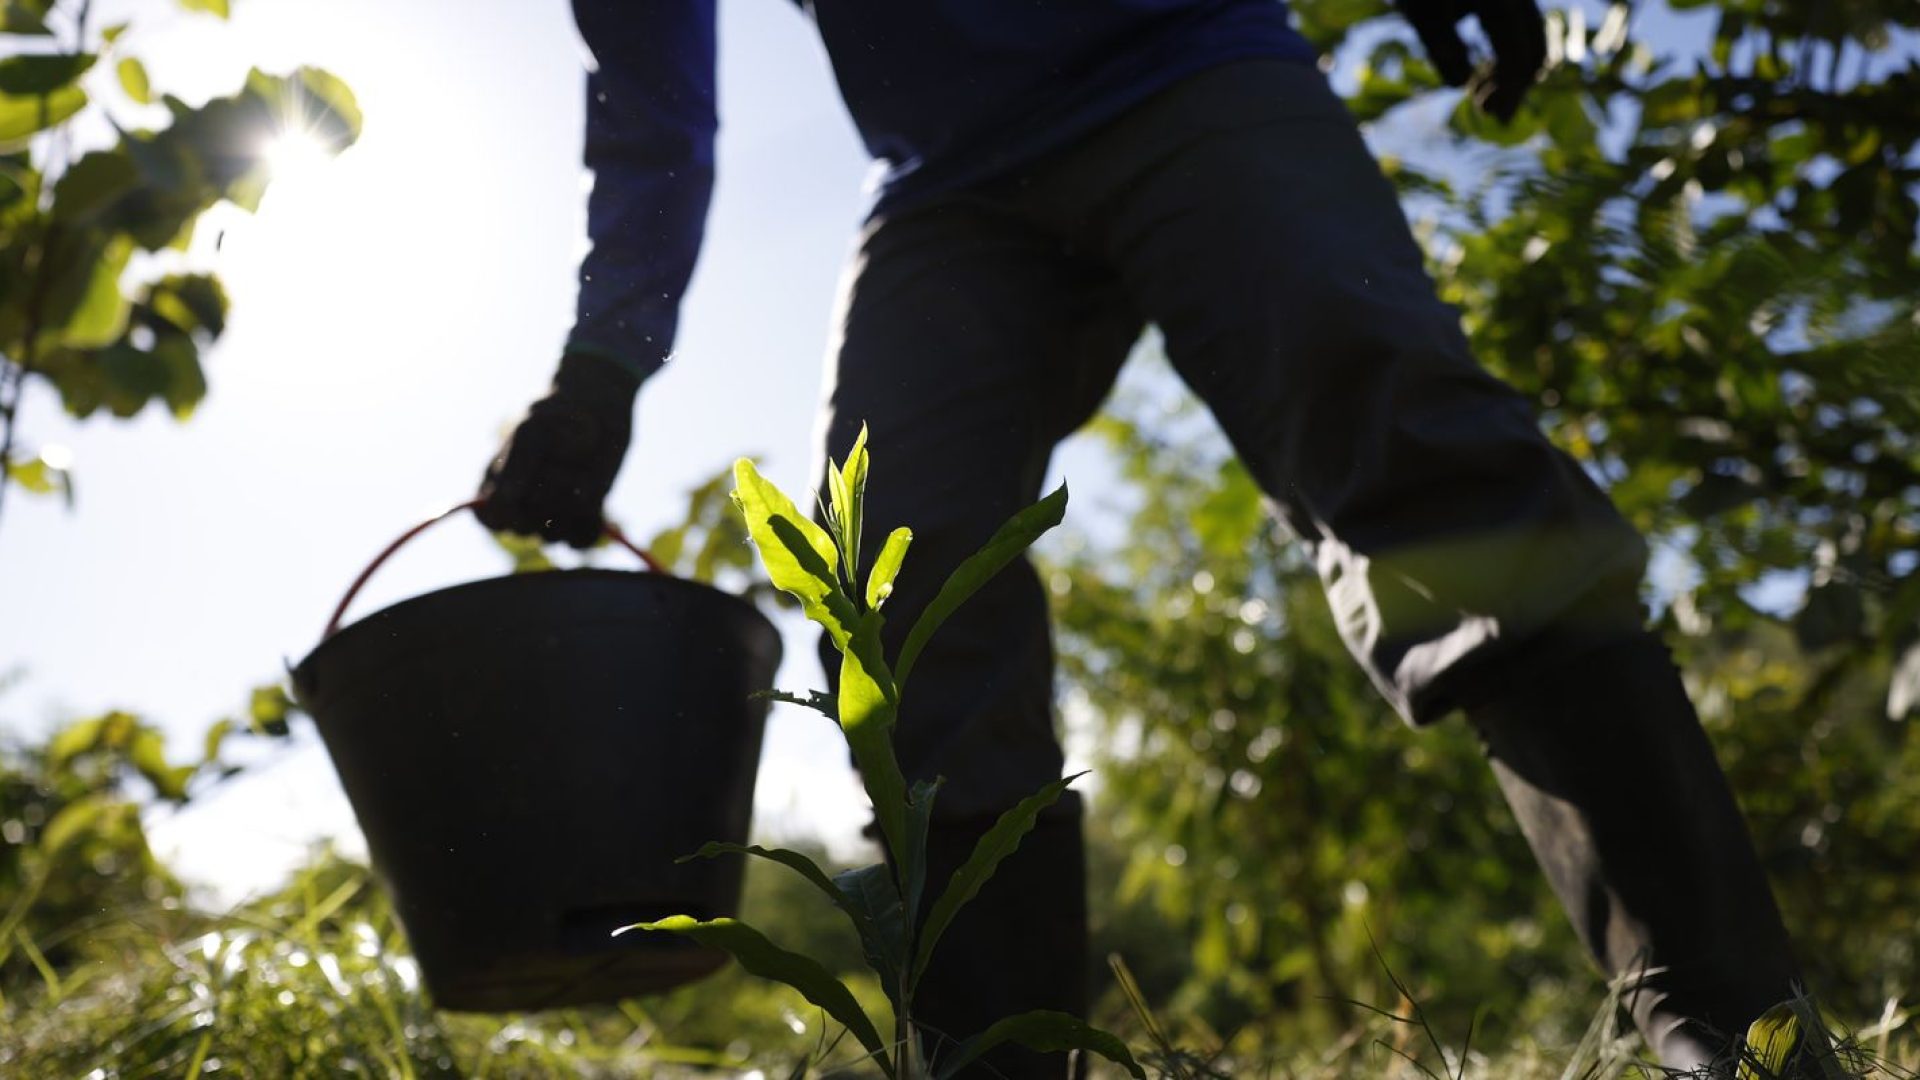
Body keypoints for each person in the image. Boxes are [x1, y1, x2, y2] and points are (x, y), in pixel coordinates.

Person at [479, 2, 1804, 1076]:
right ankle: (997, 1063)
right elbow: (651, 103)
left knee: (1408, 440)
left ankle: (1736, 1034)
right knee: (896, 584)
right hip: (946, 182)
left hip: (1190, 55)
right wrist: (600, 369)